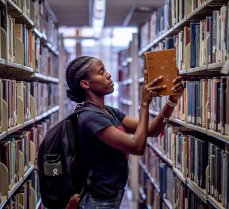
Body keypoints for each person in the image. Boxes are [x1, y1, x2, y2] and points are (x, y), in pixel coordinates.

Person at [65, 55, 184, 209]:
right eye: (101, 73)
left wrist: (172, 101)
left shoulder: (107, 111)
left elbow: (150, 130)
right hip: (97, 202)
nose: (108, 75)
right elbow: (137, 147)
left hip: (110, 198)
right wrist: (144, 103)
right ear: (85, 84)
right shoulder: (90, 118)